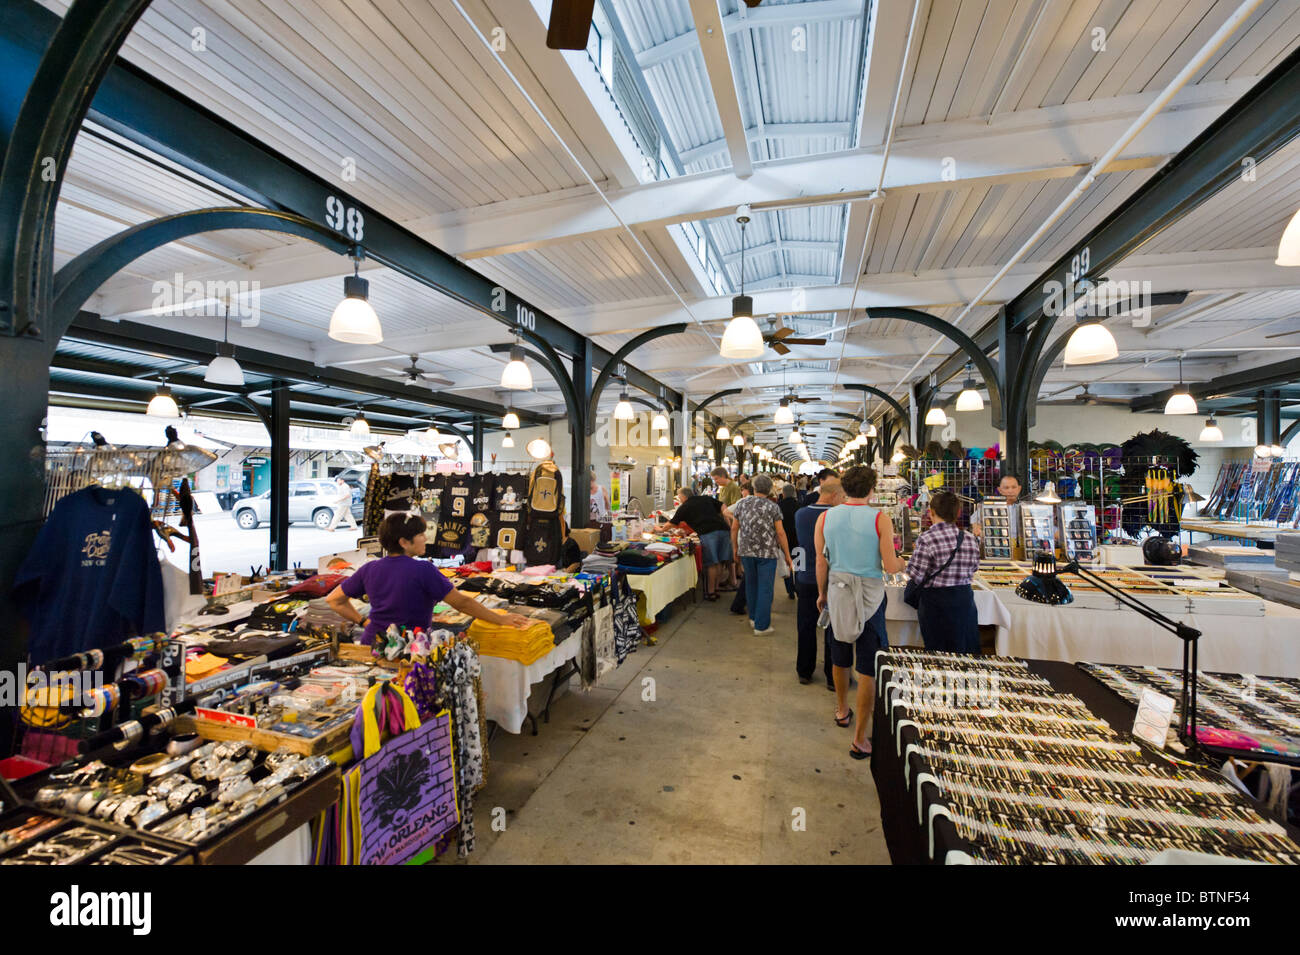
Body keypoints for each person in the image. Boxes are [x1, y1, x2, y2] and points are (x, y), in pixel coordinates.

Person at [326, 513, 531, 643]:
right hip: (408, 650)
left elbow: (334, 600)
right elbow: (462, 603)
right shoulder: (423, 570)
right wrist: (501, 619)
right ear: (404, 542)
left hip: (373, 643)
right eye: (421, 535)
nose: (425, 538)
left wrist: (364, 622)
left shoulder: (370, 568)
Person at [815, 465, 905, 759]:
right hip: (870, 596)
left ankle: (842, 710)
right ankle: (860, 738)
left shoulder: (825, 517)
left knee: (839, 654)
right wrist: (902, 561)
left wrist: (821, 593)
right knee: (867, 665)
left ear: (843, 489)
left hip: (838, 592)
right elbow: (890, 567)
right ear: (872, 489)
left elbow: (821, 561)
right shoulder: (881, 519)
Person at [907, 490, 981, 653]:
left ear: (931, 512)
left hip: (935, 604)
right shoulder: (969, 538)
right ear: (958, 513)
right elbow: (975, 567)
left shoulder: (927, 538)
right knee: (965, 650)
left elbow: (915, 574)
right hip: (964, 602)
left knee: (938, 654)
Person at [730, 473, 793, 635]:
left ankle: (753, 618)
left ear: (754, 487)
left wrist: (735, 548)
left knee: (751, 584)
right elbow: (780, 533)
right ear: (770, 489)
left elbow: (734, 528)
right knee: (765, 588)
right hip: (767, 552)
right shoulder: (773, 507)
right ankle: (762, 626)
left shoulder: (742, 504)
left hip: (746, 550)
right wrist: (787, 554)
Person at [794, 477, 842, 688]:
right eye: (841, 495)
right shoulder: (836, 517)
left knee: (805, 625)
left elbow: (800, 545)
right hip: (832, 576)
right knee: (833, 627)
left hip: (805, 576)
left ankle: (804, 670)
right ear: (833, 495)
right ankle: (833, 676)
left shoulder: (801, 514)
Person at [658, 488, 734, 600]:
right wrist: (727, 519)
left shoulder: (685, 506)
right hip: (724, 530)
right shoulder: (705, 498)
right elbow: (722, 505)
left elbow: (672, 524)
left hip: (708, 533)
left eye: (679, 497)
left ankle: (711, 593)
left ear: (683, 496)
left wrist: (659, 530)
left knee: (712, 563)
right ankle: (716, 588)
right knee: (719, 561)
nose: (679, 499)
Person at [971, 473, 1023, 540]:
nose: (1010, 491)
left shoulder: (1024, 507)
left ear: (1019, 488)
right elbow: (974, 522)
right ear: (999, 490)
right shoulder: (989, 506)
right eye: (1006, 488)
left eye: (1014, 487)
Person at [778, 484, 800, 600]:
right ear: (794, 493)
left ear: (783, 493)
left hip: (783, 541)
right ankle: (798, 588)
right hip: (798, 540)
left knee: (786, 565)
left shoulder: (778, 506)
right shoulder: (800, 506)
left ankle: (789, 589)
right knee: (798, 566)